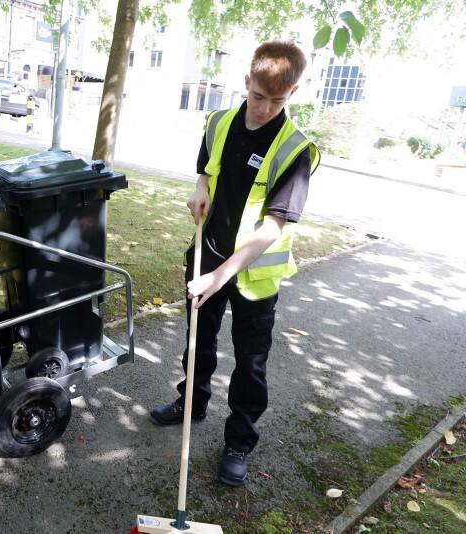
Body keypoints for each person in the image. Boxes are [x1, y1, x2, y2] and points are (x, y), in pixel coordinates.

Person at [149, 40, 321, 487]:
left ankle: (239, 442)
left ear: (293, 93)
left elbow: (272, 228)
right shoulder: (220, 121)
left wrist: (220, 274)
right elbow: (210, 166)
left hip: (252, 276)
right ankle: (192, 403)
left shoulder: (296, 149)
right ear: (247, 82)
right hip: (207, 253)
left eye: (277, 101)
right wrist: (201, 184)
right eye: (258, 96)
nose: (264, 109)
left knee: (251, 364)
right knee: (197, 341)